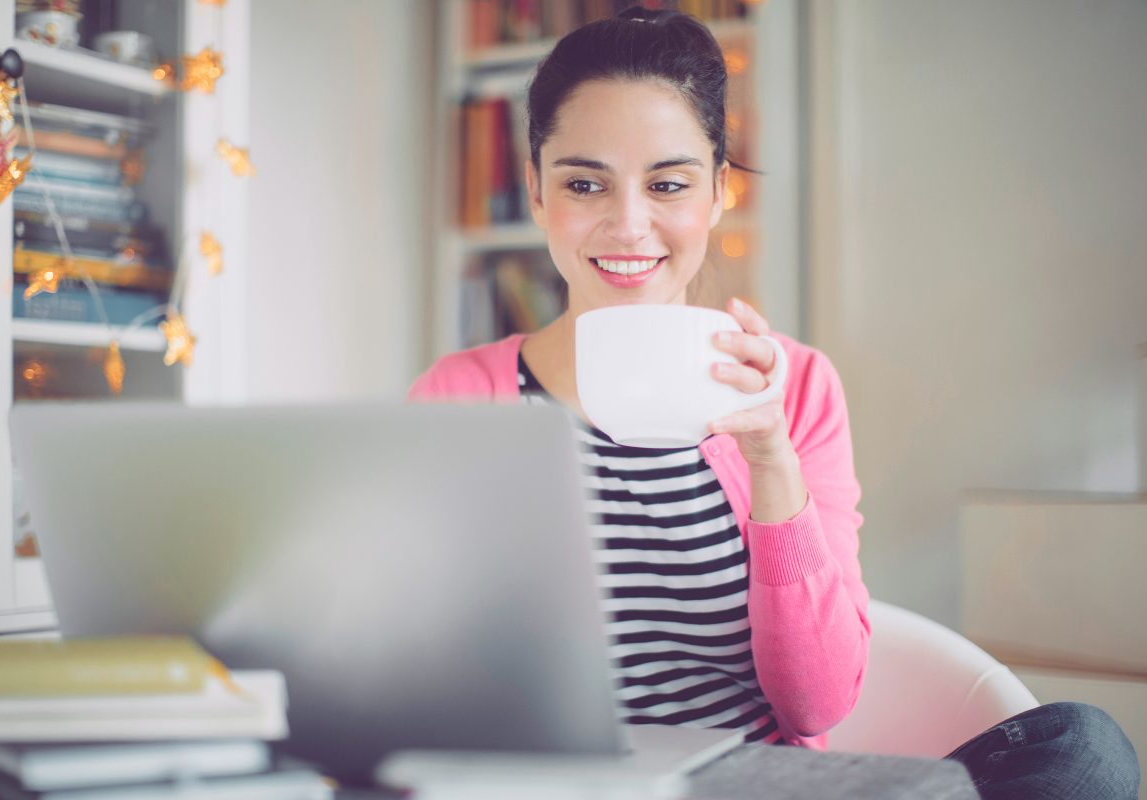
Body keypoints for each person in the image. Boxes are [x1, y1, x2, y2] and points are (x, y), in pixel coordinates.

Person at [408, 7, 1139, 798]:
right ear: (537, 192)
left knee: (1083, 747)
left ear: (718, 192)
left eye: (669, 183)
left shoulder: (799, 387)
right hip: (547, 785)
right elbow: (412, 669)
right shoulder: (458, 396)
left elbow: (818, 701)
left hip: (756, 784)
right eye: (585, 183)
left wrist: (771, 462)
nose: (627, 223)